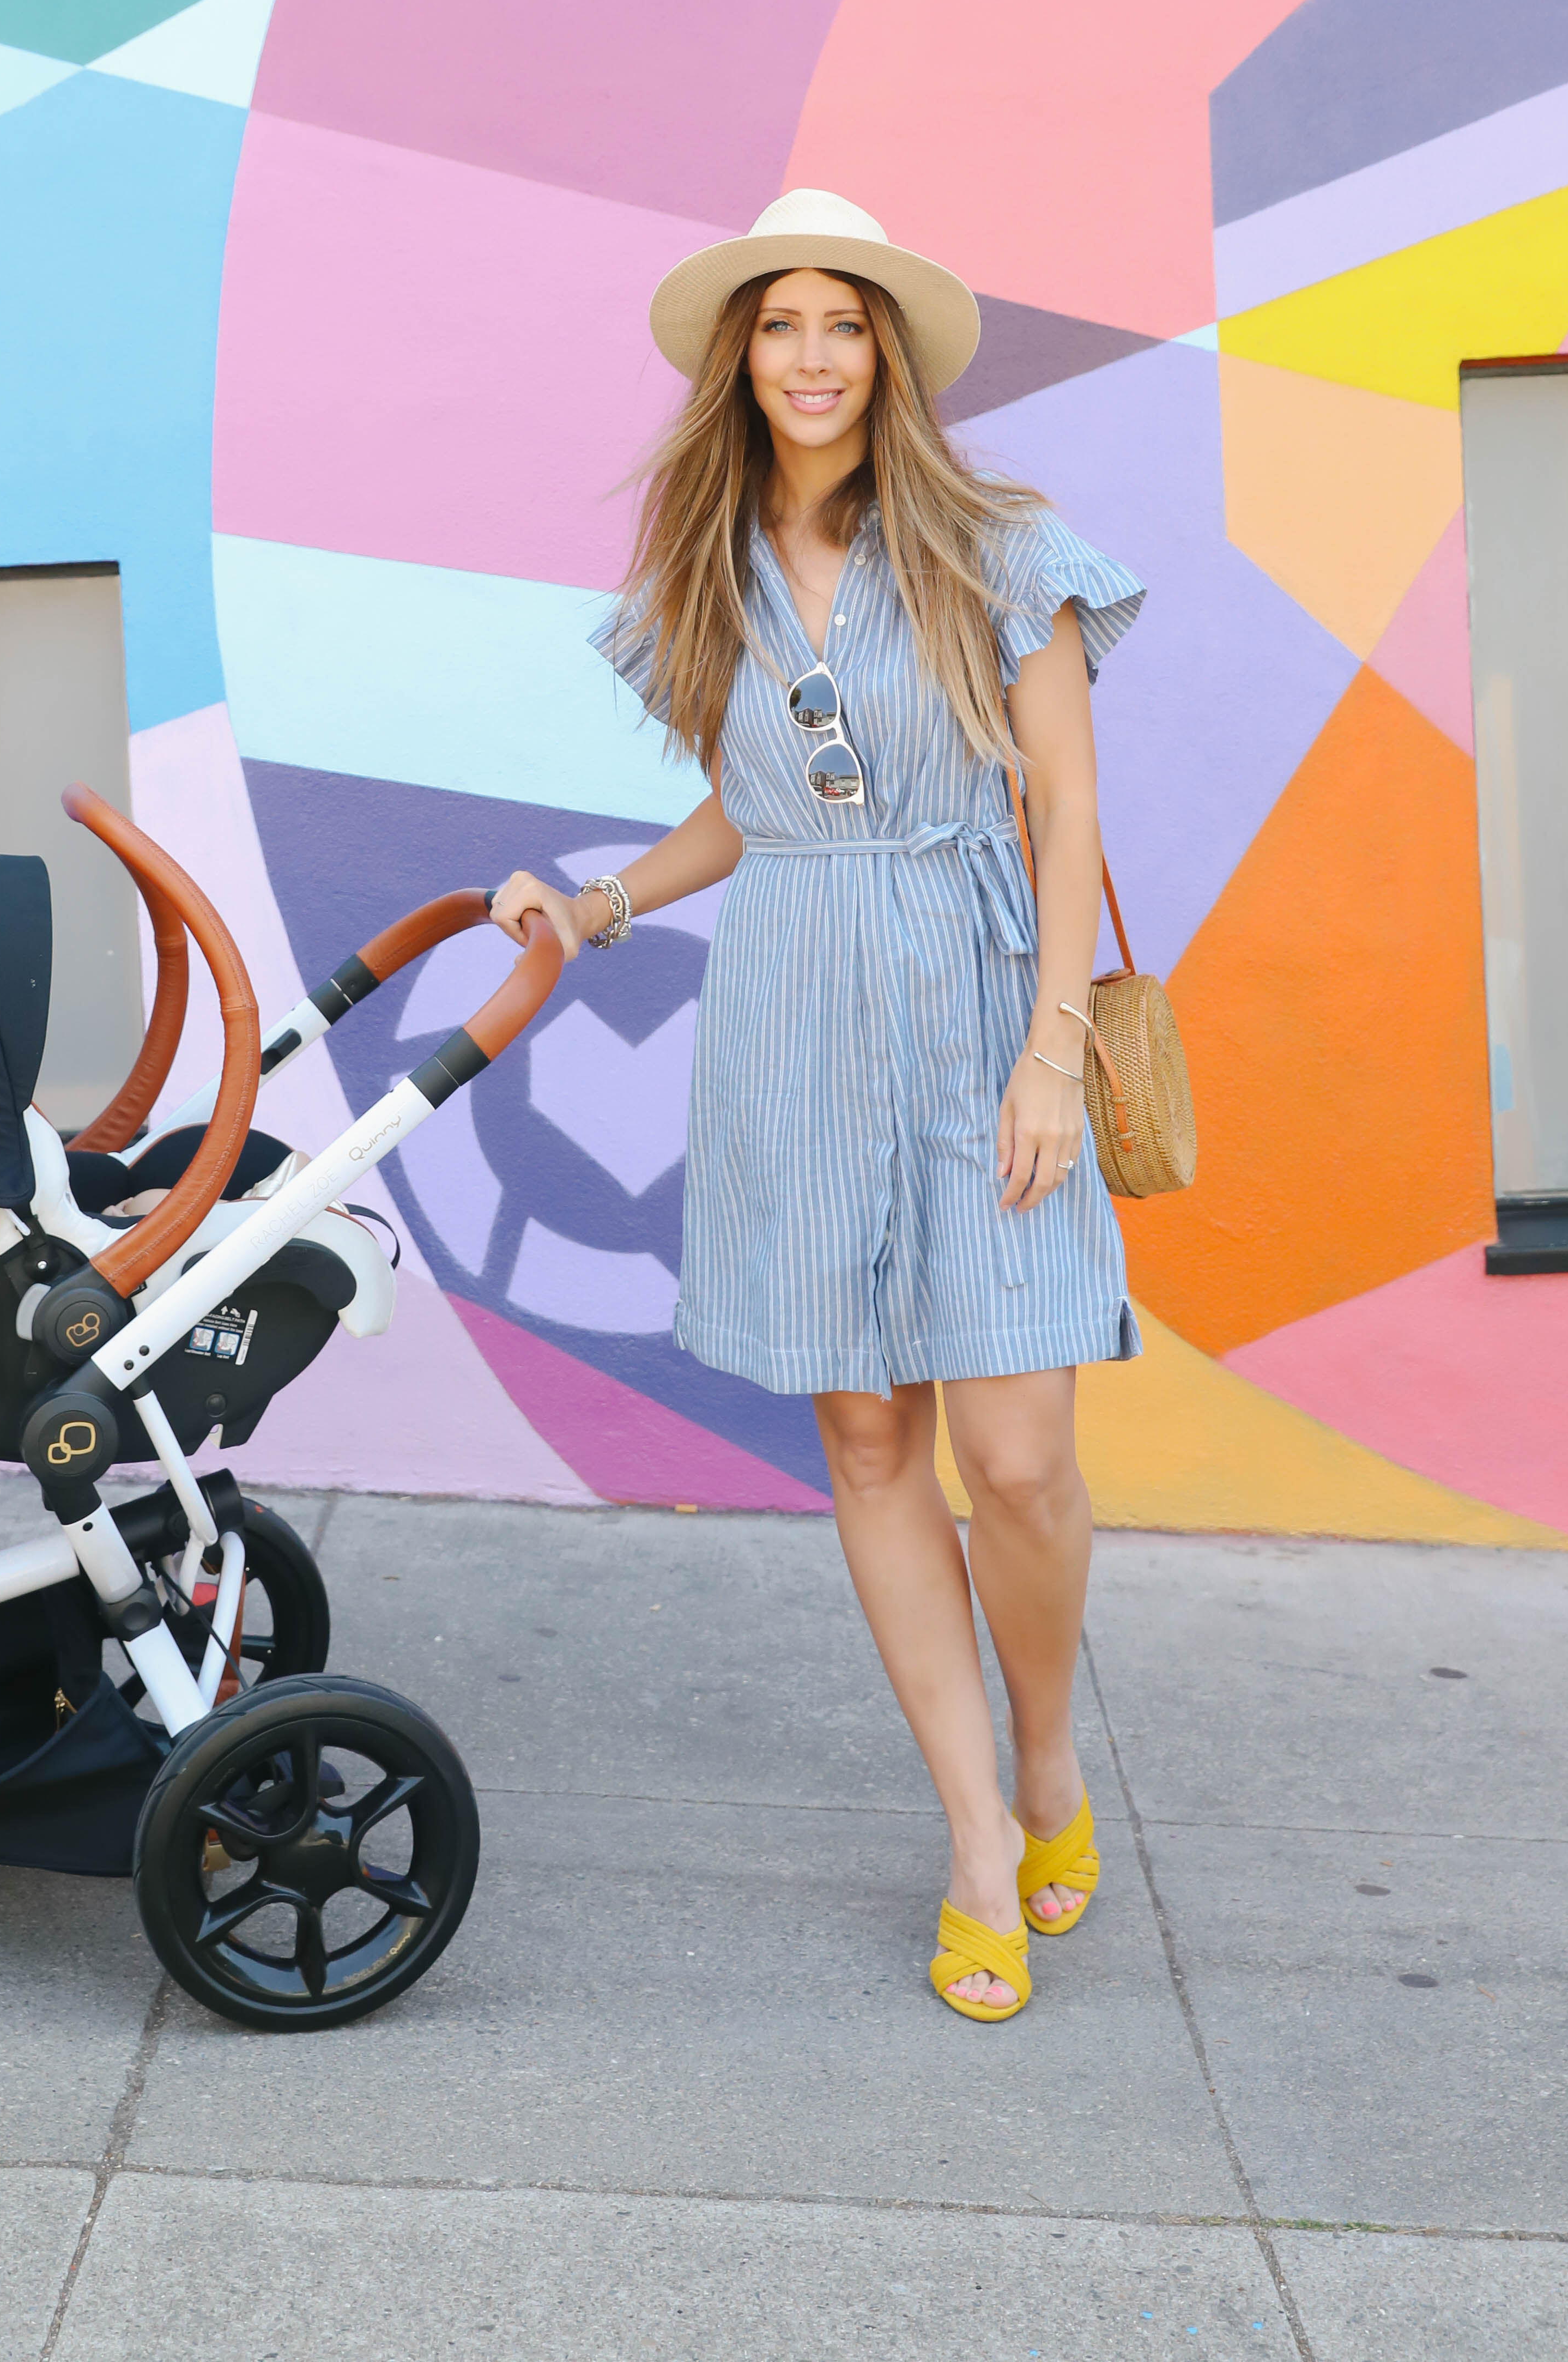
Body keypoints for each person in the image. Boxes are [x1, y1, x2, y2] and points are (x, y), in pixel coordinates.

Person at [492, 189, 1145, 2023]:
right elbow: (753, 809)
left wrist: (1054, 1052)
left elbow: (1066, 813)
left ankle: (1044, 1762)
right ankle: (970, 1845)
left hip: (979, 1004)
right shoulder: (707, 571)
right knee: (869, 1445)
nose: (809, 357)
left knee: (1016, 1458)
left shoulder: (1004, 551)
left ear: (889, 355)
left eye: (840, 324)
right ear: (739, 359)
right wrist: (604, 898)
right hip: (790, 1019)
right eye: (777, 325)